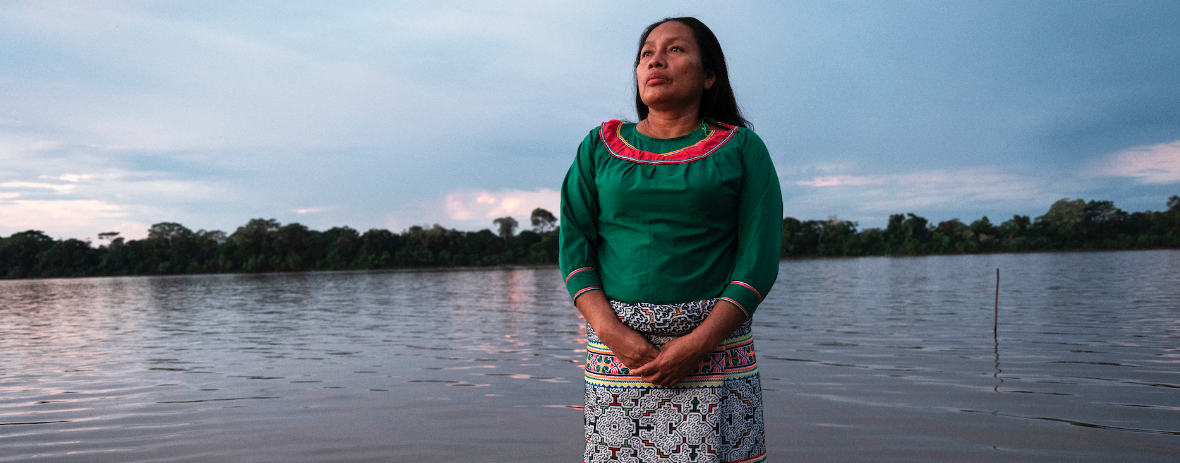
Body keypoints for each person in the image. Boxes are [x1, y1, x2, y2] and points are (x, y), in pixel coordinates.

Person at [559, 16, 782, 463]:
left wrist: (698, 343)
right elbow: (575, 247)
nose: (656, 60)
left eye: (676, 49)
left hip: (714, 352)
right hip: (620, 356)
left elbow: (757, 258)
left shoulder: (740, 148)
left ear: (709, 75)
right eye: (646, 54)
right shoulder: (599, 147)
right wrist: (612, 333)